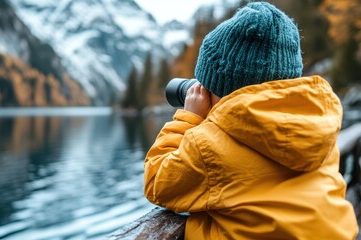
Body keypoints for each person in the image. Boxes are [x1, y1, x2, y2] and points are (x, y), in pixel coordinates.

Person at [144, 1, 358, 239]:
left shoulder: (208, 145)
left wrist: (190, 117)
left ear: (219, 90)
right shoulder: (321, 122)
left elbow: (157, 182)